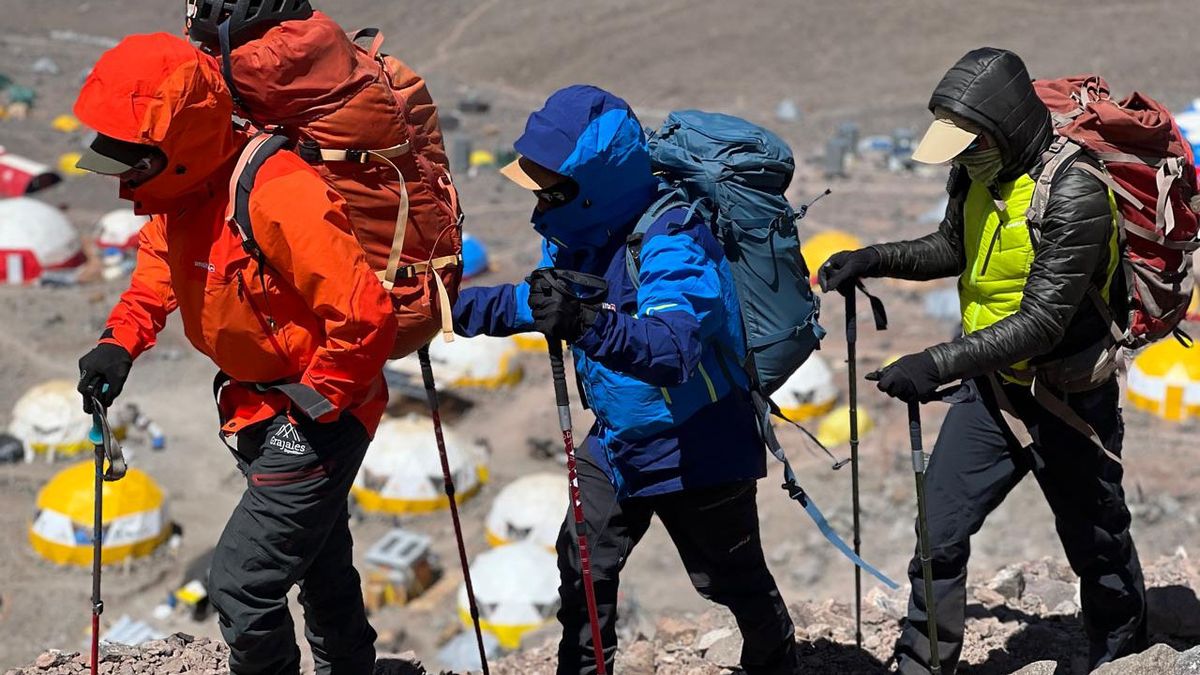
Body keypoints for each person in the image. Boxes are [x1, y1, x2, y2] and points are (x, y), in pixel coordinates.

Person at [73, 33, 396, 675]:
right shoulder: (178, 197)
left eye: (132, 163)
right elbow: (156, 276)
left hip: (319, 410)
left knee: (241, 584)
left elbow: (362, 312)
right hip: (257, 409)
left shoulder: (277, 190)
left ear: (181, 147)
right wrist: (119, 344)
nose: (122, 185)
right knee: (321, 561)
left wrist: (314, 406)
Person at [820, 48, 1146, 674]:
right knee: (936, 533)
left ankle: (1123, 655)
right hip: (995, 390)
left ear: (1005, 127)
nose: (964, 156)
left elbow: (1043, 322)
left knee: (1096, 541)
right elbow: (952, 246)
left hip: (1070, 395)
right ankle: (924, 663)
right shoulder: (977, 170)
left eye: (972, 143)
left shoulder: (1075, 190)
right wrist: (874, 258)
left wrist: (935, 363)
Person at [454, 85, 797, 674]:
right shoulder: (584, 238)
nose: (538, 198)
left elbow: (673, 348)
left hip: (698, 444)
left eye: (549, 186)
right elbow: (538, 302)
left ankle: (777, 661)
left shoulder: (673, 238)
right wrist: (444, 311)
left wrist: (585, 324)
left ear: (593, 185)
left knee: (732, 582)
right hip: (617, 438)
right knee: (582, 566)